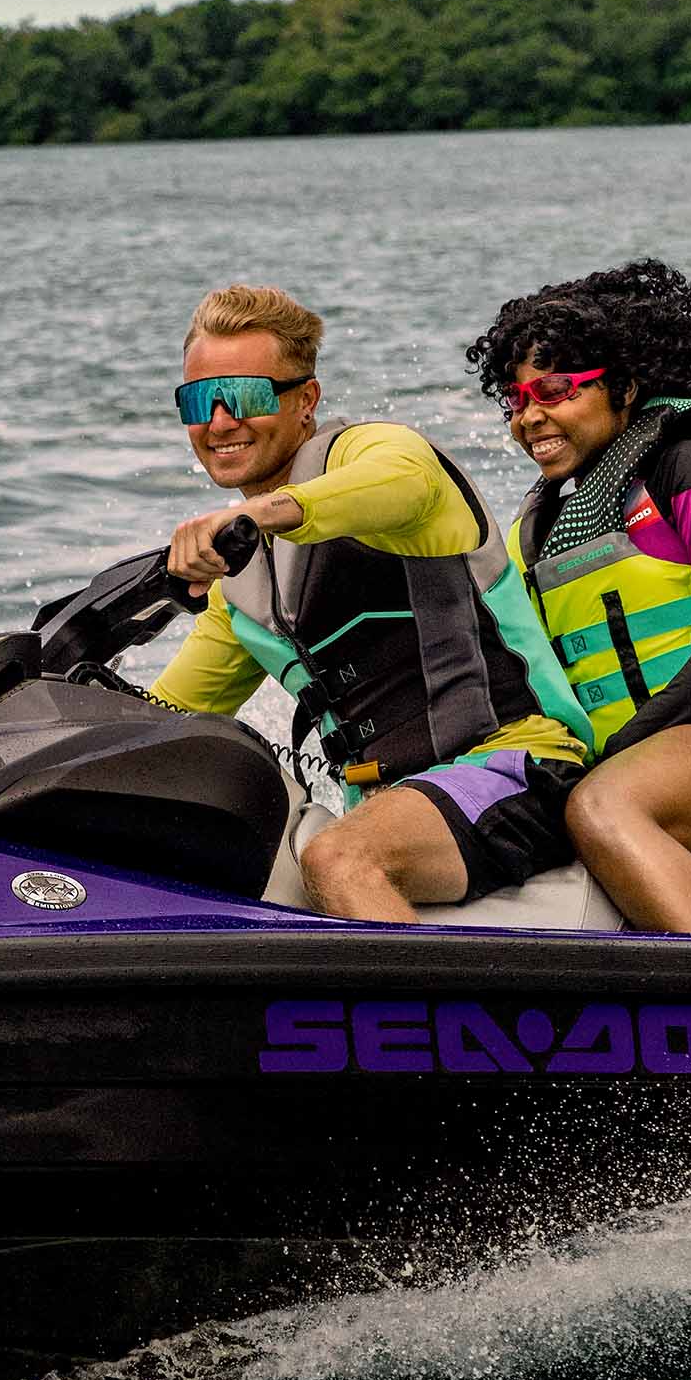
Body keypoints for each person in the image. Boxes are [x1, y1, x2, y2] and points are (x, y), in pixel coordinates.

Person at [144, 284, 597, 923]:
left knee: (338, 860)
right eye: (198, 400)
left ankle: (436, 1022)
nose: (219, 421)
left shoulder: (373, 453)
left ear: (307, 401)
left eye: (246, 395)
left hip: (519, 769)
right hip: (395, 807)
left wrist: (257, 512)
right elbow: (165, 719)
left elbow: (402, 482)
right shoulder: (238, 590)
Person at [472, 261, 691, 934]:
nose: (529, 417)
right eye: (514, 401)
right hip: (627, 760)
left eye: (552, 391)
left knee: (602, 809)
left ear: (624, 387)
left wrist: (633, 740)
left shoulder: (689, 467)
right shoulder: (538, 526)